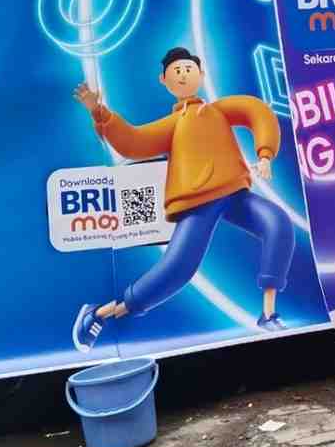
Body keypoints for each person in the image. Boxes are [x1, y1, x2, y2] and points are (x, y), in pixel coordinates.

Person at [69, 46, 295, 351]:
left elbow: (257, 111)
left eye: (189, 69)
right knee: (177, 269)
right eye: (177, 71)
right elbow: (133, 142)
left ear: (201, 74)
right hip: (197, 203)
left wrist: (265, 153)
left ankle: (268, 313)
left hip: (235, 193)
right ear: (164, 80)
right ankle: (100, 313)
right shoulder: (174, 124)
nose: (184, 74)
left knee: (278, 224)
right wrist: (100, 112)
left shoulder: (218, 110)